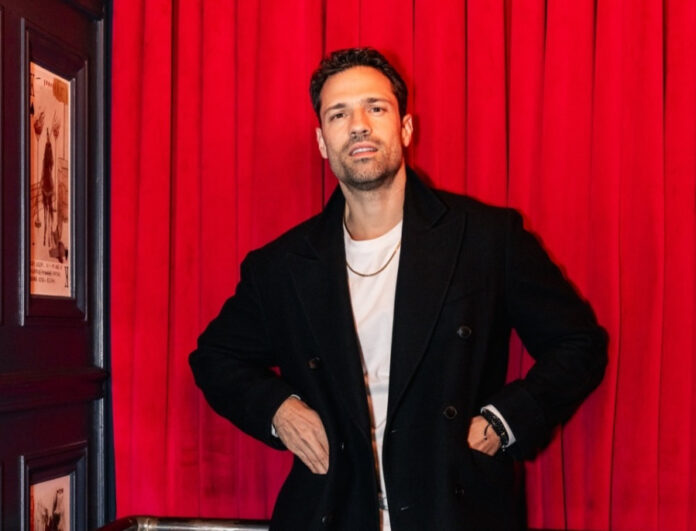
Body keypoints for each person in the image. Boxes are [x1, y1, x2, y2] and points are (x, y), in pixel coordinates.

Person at [189, 47, 607, 531]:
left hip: (454, 510)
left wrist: (503, 422)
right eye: (338, 114)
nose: (359, 125)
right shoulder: (282, 266)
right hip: (333, 512)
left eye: (376, 107)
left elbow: (579, 344)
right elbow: (215, 358)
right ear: (322, 141)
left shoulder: (486, 239)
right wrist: (280, 410)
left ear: (405, 128)